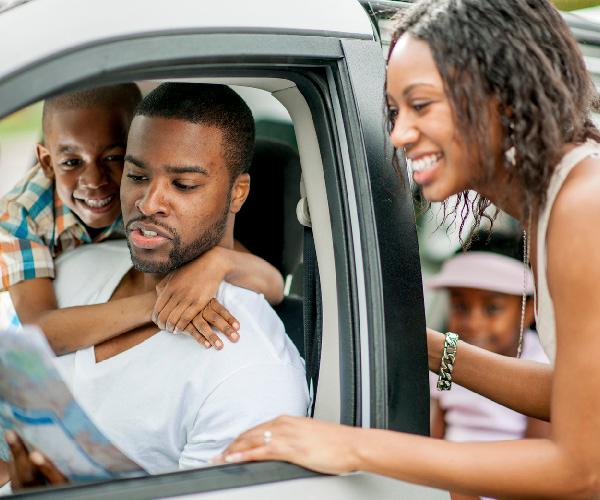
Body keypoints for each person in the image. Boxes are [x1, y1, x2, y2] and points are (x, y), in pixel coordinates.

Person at [216, 1, 600, 498]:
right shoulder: (565, 197)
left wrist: (355, 447)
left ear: (502, 95)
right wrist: (415, 344)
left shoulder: (583, 206)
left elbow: (583, 468)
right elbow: (570, 397)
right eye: (395, 112)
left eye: (421, 105)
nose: (398, 134)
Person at [5, 82, 309, 490]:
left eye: (183, 185)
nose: (148, 203)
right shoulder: (72, 265)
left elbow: (272, 282)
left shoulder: (250, 372)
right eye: (136, 175)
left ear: (238, 192)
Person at [427, 231, 550, 500]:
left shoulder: (540, 361)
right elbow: (435, 433)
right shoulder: (447, 355)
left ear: (529, 310)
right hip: (449, 479)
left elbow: (540, 457)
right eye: (460, 306)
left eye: (492, 308)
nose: (473, 322)